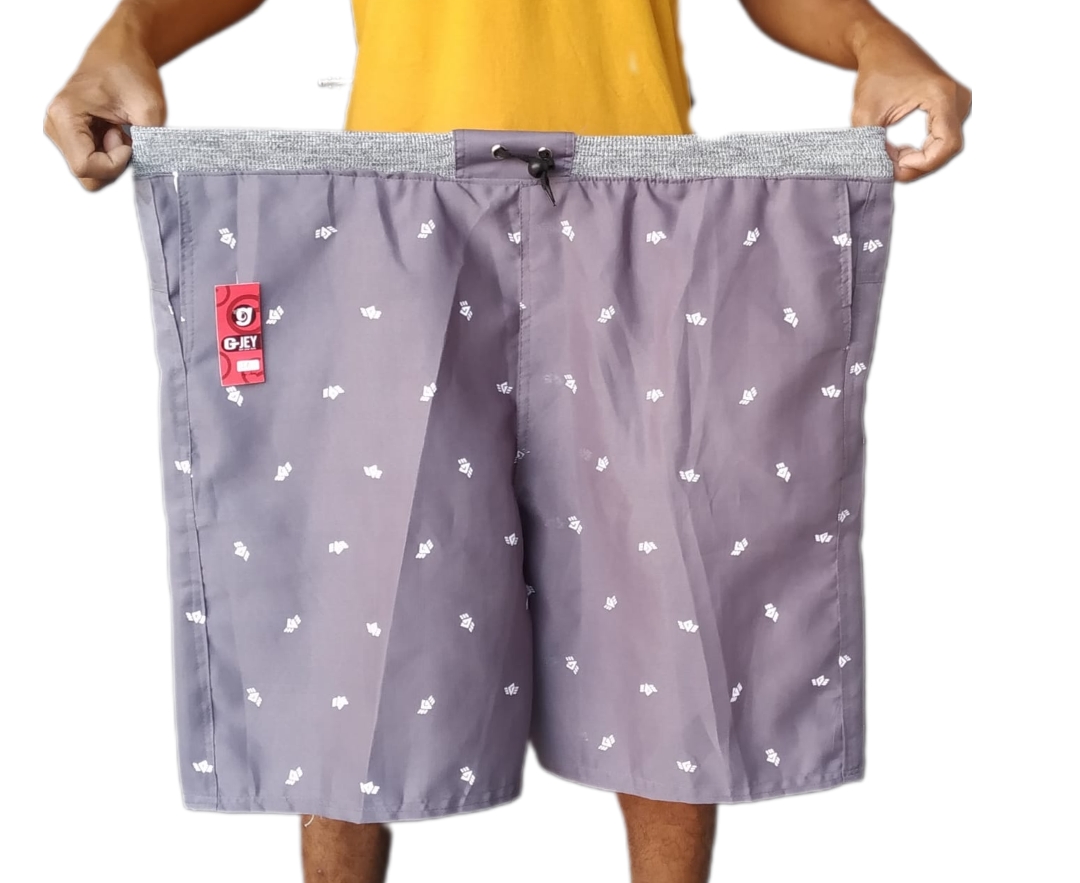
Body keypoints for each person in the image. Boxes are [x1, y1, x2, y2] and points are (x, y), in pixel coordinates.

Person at [44, 3, 971, 883]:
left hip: (639, 202)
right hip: (396, 207)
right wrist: (127, 35)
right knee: (357, 612)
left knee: (667, 610)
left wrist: (870, 38)